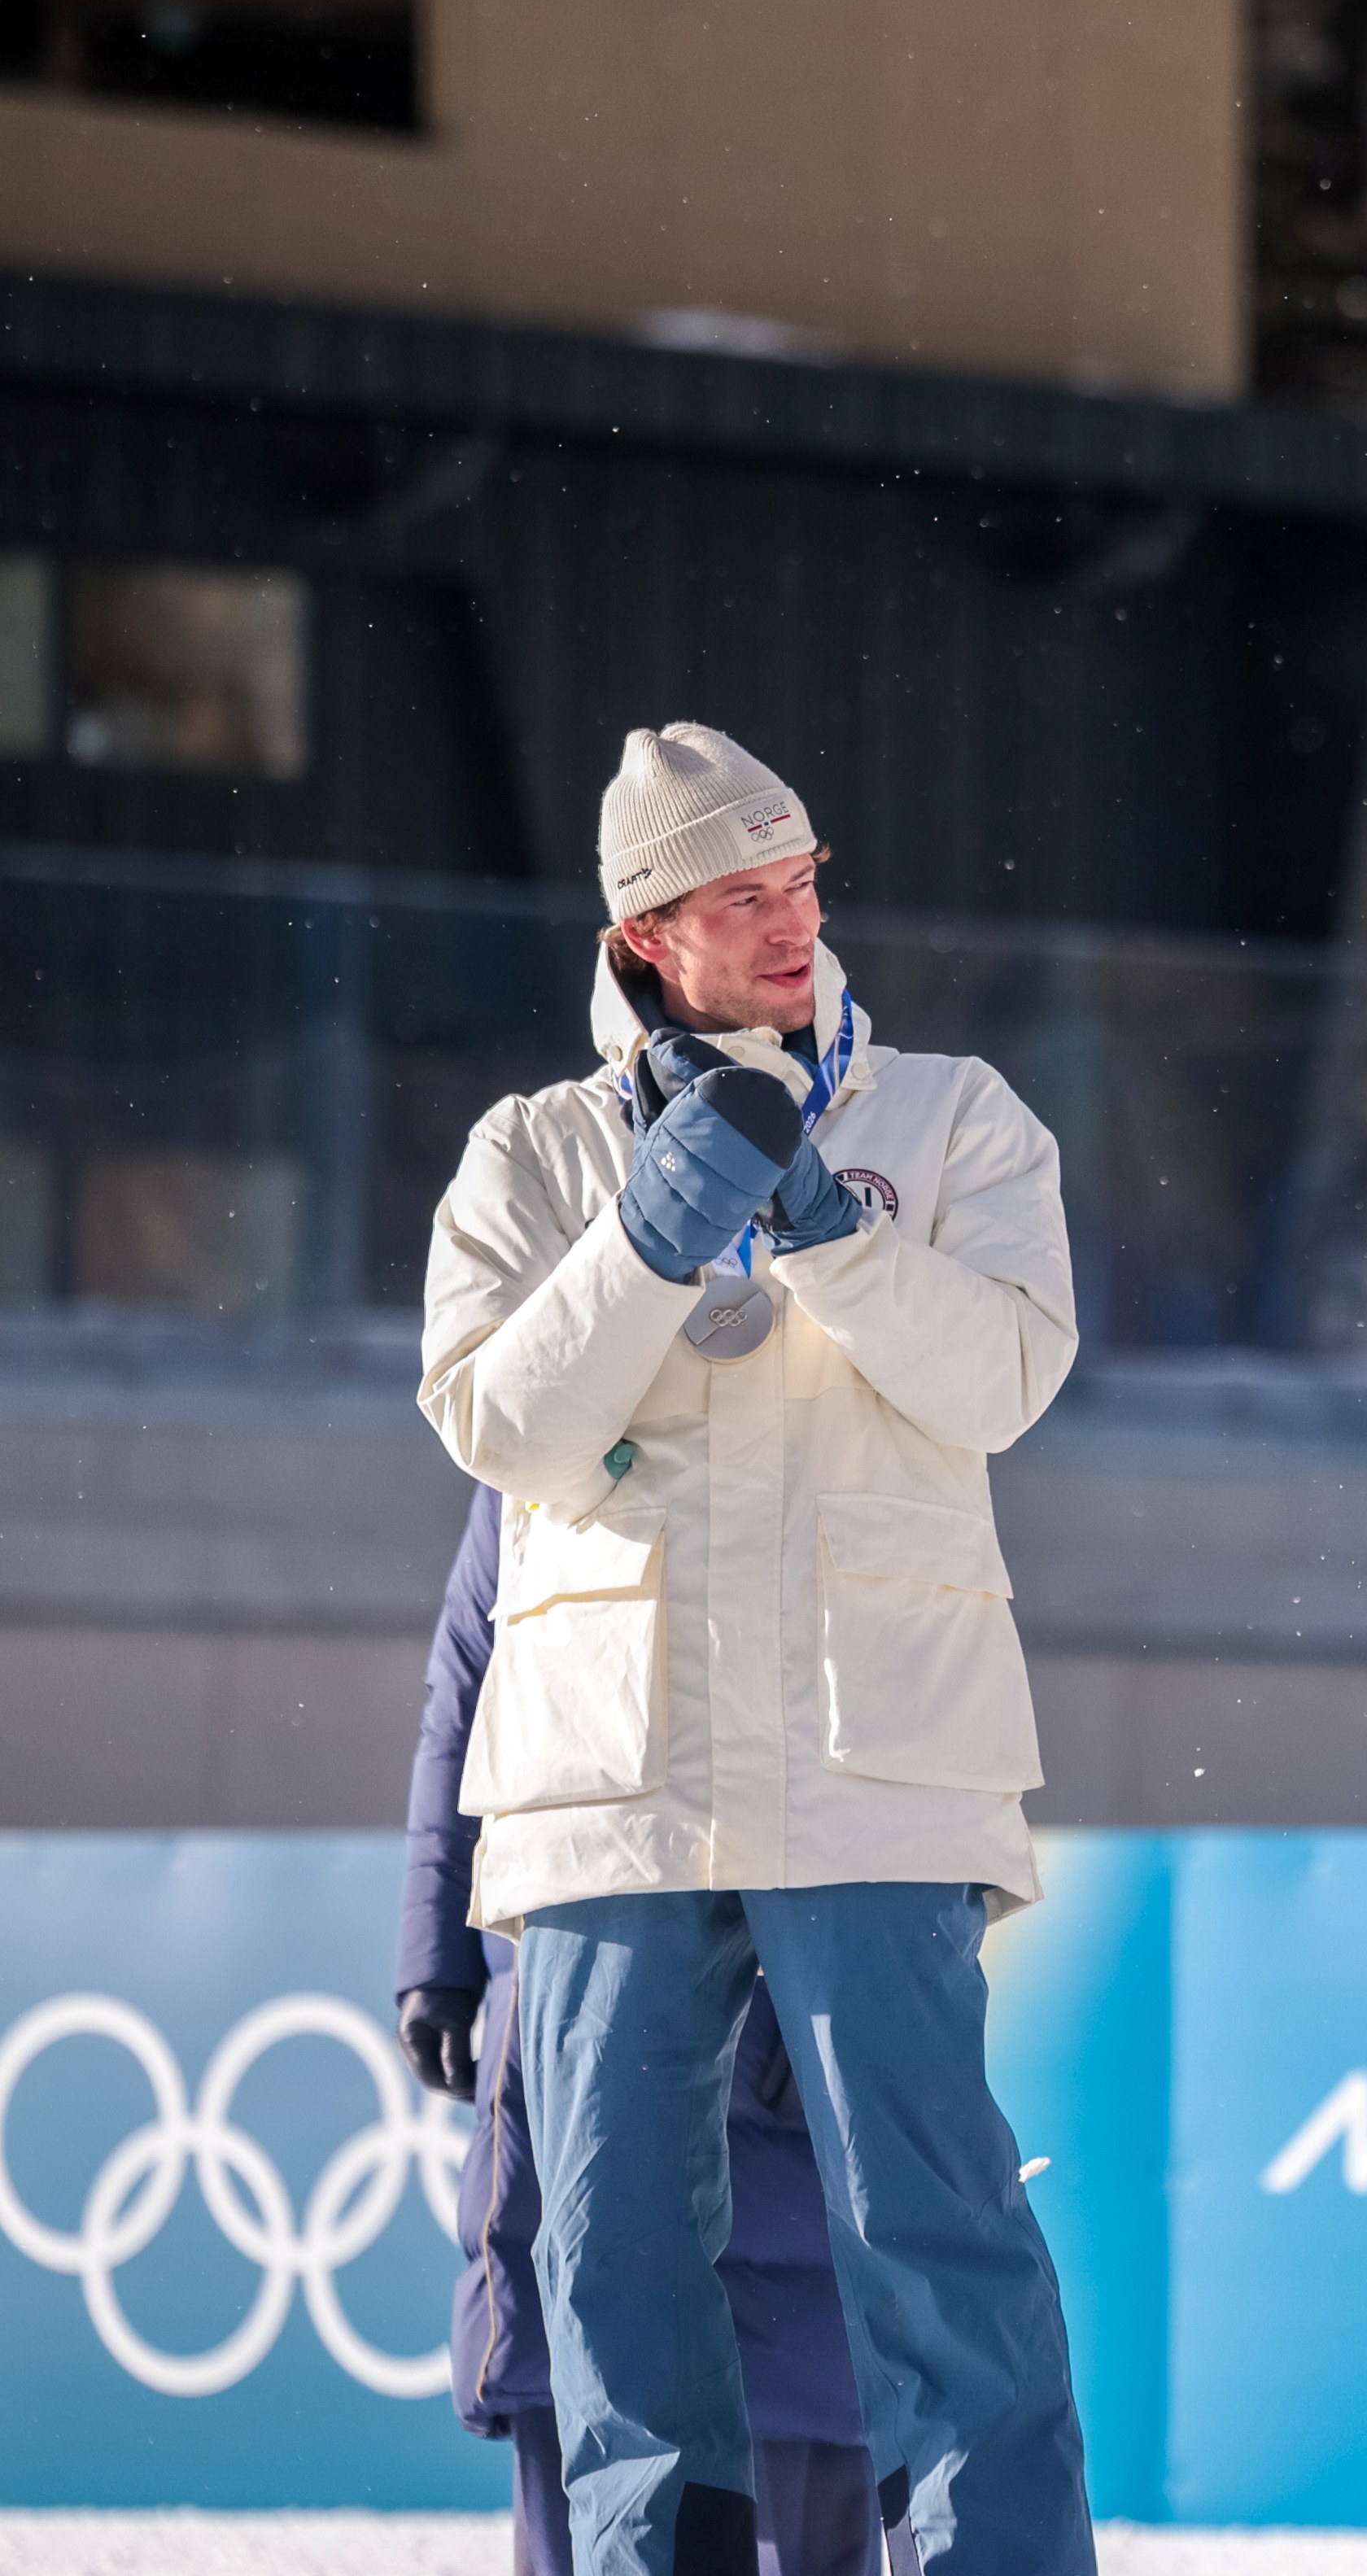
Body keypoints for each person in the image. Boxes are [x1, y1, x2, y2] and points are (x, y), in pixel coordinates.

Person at [418, 723, 1090, 2576]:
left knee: (935, 2223)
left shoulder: (952, 1118)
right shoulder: (533, 1150)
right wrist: (646, 1239)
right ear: (648, 934)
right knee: (614, 2240)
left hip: (877, 1763)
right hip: (608, 1780)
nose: (794, 924)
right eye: (742, 897)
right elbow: (500, 1428)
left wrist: (824, 1237)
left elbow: (1005, 1380)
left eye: (802, 883)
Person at [396, 1483, 889, 2576]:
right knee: (577, 2364)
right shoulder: (522, 1446)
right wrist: (436, 1952)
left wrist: (830, 1970)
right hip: (559, 1946)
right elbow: (469, 1686)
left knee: (796, 2387)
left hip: (770, 1970)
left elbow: (882, 1693)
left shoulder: (813, 1412)